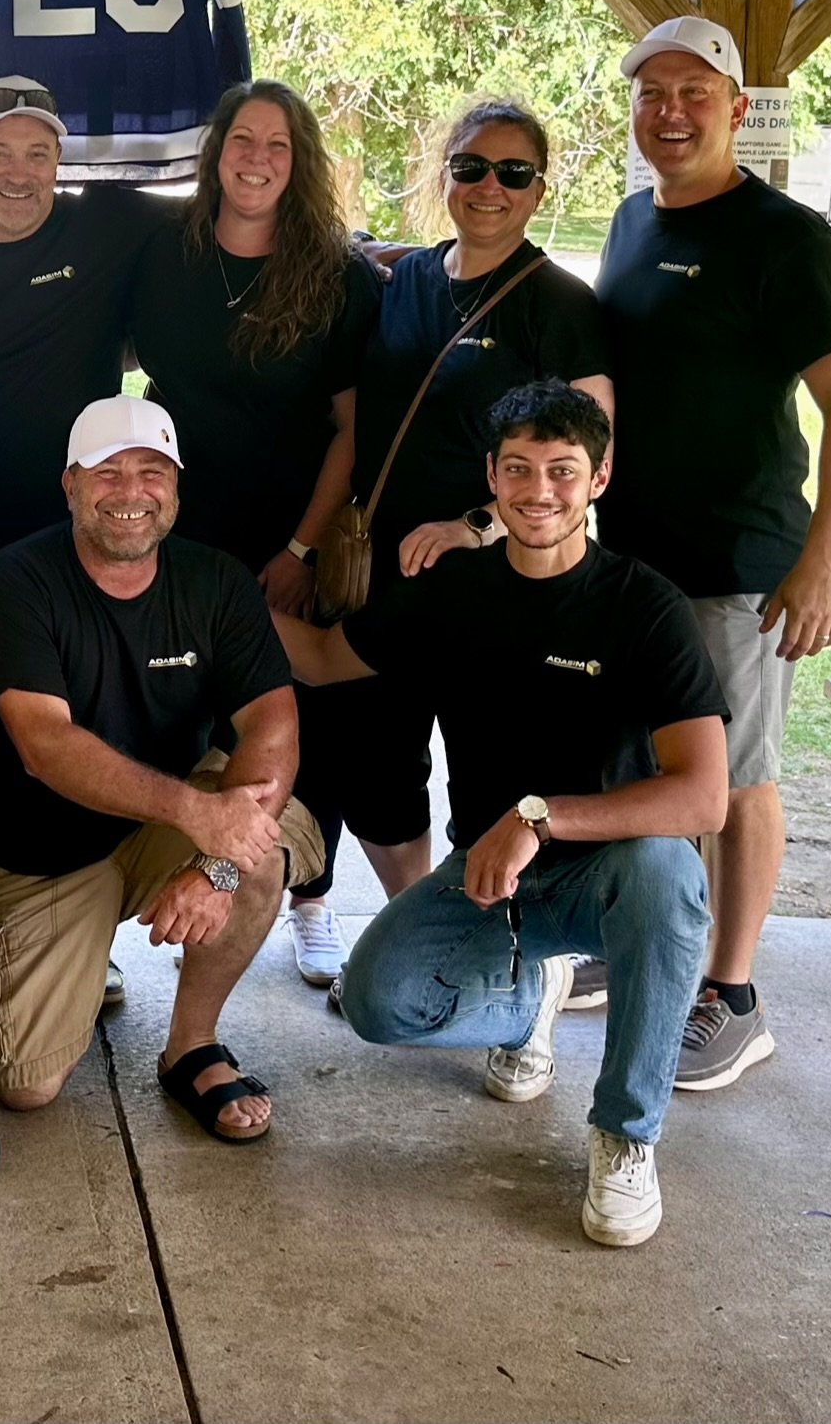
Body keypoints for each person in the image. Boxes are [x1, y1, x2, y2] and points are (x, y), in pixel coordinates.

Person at [275, 381, 726, 1247]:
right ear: (490, 475)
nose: (539, 490)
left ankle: (626, 1135)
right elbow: (327, 657)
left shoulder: (643, 605)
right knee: (376, 1001)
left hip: (608, 867)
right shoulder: (454, 591)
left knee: (670, 868)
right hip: (488, 876)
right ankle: (529, 1002)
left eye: (563, 470)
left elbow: (702, 794)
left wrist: (539, 817)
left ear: (599, 478)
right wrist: (206, 597)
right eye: (518, 468)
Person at [594, 15, 831, 1092]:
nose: (670, 111)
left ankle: (735, 991)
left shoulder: (785, 236)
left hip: (743, 562)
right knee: (641, 767)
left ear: (737, 108)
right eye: (650, 92)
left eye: (693, 92)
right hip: (629, 561)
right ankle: (638, 942)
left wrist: (825, 557)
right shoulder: (630, 220)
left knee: (740, 779)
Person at [0, 395, 325, 1143]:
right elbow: (44, 744)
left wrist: (216, 861)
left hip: (166, 829)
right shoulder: (18, 579)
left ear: (177, 488)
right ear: (69, 485)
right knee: (22, 1081)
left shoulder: (215, 580)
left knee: (257, 845)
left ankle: (192, 1044)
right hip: (43, 849)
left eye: (152, 472)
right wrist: (198, 814)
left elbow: (273, 725)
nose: (130, 493)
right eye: (107, 472)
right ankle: (59, 960)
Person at [341, 99, 614, 998]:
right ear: (444, 175)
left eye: (512, 172)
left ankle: (521, 962)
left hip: (498, 578)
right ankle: (424, 926)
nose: (488, 187)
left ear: (540, 188)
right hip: (391, 568)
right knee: (381, 763)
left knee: (495, 775)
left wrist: (480, 525)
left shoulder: (560, 303)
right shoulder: (408, 276)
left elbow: (591, 442)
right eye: (469, 168)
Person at [129, 80, 379, 991]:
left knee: (300, 709)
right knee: (174, 707)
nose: (258, 157)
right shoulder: (167, 252)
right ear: (216, 150)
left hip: (287, 533)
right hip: (177, 529)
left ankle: (309, 898)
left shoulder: (336, 273)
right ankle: (157, 877)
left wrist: (304, 549)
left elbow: (351, 427)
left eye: (278, 143)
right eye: (242, 138)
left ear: (299, 159)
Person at [0, 78, 175, 567]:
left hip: (78, 525)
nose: (19, 173)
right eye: (0, 153)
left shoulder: (103, 221)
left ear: (57, 160)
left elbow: (229, 210)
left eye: (36, 154)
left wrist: (355, 242)